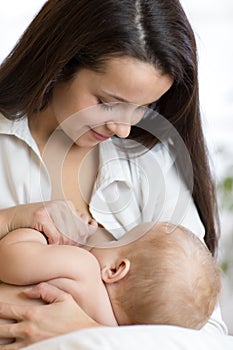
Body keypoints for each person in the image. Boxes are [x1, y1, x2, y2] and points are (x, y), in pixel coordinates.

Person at [0, 0, 227, 347]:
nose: (123, 128)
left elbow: (205, 332)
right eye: (107, 102)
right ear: (59, 63)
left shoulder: (149, 159)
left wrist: (87, 332)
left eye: (143, 108)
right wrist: (13, 220)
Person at [0, 222, 221, 345]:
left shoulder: (83, 268)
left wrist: (39, 234)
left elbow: (8, 259)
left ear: (115, 270)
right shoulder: (108, 335)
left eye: (117, 240)